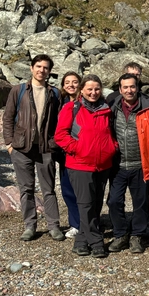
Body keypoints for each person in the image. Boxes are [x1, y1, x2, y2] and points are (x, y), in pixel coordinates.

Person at [2, 53, 64, 242]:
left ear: (49, 71)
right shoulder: (18, 90)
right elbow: (7, 117)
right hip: (22, 148)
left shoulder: (54, 93)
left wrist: (56, 144)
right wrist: (9, 144)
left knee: (49, 189)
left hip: (46, 148)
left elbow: (60, 121)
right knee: (26, 189)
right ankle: (30, 226)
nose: (41, 70)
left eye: (45, 67)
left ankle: (53, 226)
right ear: (31, 68)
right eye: (38, 66)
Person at [54, 75, 118, 258]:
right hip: (80, 164)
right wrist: (78, 148)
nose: (93, 92)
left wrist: (112, 148)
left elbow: (111, 133)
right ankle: (96, 242)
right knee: (85, 204)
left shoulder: (106, 109)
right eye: (89, 89)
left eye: (97, 89)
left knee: (96, 204)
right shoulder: (71, 108)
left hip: (103, 164)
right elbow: (60, 135)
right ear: (82, 90)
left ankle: (81, 241)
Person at [107, 73, 149, 254]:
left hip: (140, 164)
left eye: (132, 87)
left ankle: (137, 235)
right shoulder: (112, 107)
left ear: (138, 87)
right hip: (117, 165)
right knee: (114, 201)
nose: (129, 90)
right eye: (125, 87)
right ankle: (120, 234)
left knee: (140, 203)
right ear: (120, 89)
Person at [58, 71, 81, 239]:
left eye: (74, 82)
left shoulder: (86, 102)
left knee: (85, 190)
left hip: (82, 152)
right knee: (67, 189)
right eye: (67, 82)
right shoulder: (59, 102)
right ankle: (75, 223)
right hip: (64, 152)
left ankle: (87, 222)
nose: (71, 85)